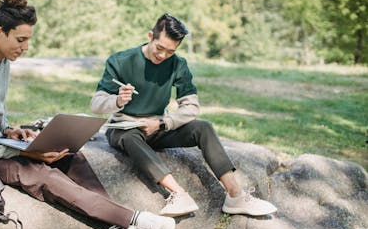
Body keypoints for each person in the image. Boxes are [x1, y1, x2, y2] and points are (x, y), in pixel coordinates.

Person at [0, 0, 176, 229]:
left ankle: (116, 228)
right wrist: (27, 152)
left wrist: (9, 130)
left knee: (69, 154)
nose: (25, 48)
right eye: (20, 39)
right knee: (41, 173)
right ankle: (134, 220)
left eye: (28, 40)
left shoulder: (1, 60)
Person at [90, 13, 277, 217]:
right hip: (125, 129)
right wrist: (117, 101)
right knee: (130, 137)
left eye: (170, 52)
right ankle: (178, 194)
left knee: (203, 127)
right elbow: (96, 104)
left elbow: (191, 107)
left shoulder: (178, 64)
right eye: (159, 48)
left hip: (158, 127)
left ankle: (235, 195)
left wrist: (163, 123)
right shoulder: (121, 61)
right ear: (150, 35)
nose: (162, 56)